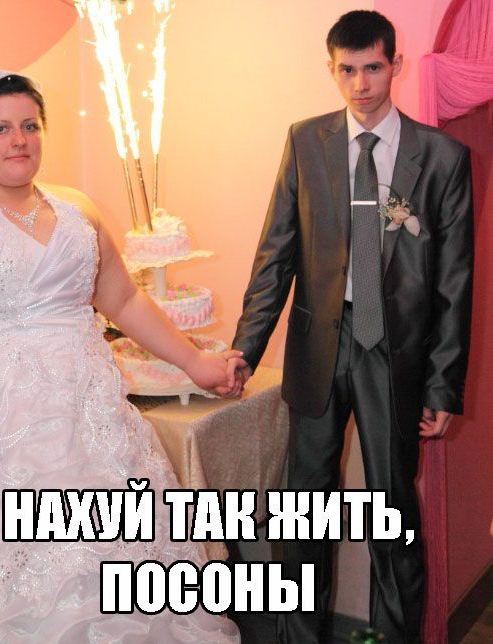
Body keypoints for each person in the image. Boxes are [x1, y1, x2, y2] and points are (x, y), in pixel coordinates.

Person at [0, 70, 241, 642]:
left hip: (92, 422)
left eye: (30, 126)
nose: (18, 140)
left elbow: (124, 299)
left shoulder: (79, 211)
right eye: (0, 128)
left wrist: (195, 363)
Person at [228, 10, 473, 643]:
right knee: (302, 512)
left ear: (396, 65)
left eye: (372, 68)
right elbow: (275, 254)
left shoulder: (441, 157)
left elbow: (454, 284)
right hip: (320, 349)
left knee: (393, 512)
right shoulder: (305, 141)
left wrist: (443, 385)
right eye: (347, 70)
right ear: (331, 69)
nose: (360, 84)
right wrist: (245, 349)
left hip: (397, 355)